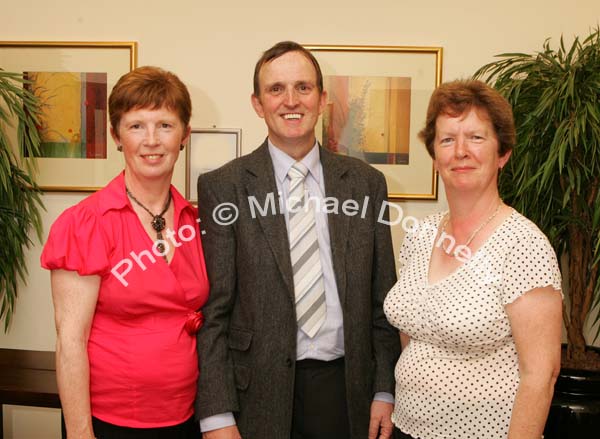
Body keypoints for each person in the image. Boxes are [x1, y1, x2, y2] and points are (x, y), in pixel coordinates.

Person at [195, 41, 400, 439]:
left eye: (303, 88)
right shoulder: (223, 187)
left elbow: (383, 302)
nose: (291, 100)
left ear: (322, 99)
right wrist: (216, 415)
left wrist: (384, 389)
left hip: (346, 392)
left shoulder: (365, 184)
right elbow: (213, 312)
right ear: (257, 103)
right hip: (255, 396)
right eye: (276, 89)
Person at [384, 79, 563, 439]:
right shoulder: (420, 235)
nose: (460, 151)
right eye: (447, 139)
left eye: (476, 138)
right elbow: (414, 334)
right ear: (435, 157)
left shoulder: (523, 245)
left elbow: (541, 376)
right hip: (407, 428)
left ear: (503, 153)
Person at [41, 66, 209, 439]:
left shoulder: (197, 222)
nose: (151, 140)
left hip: (186, 418)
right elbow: (70, 343)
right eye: (136, 126)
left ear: (184, 135)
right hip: (108, 423)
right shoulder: (84, 224)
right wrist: (81, 433)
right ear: (117, 136)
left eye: (165, 125)